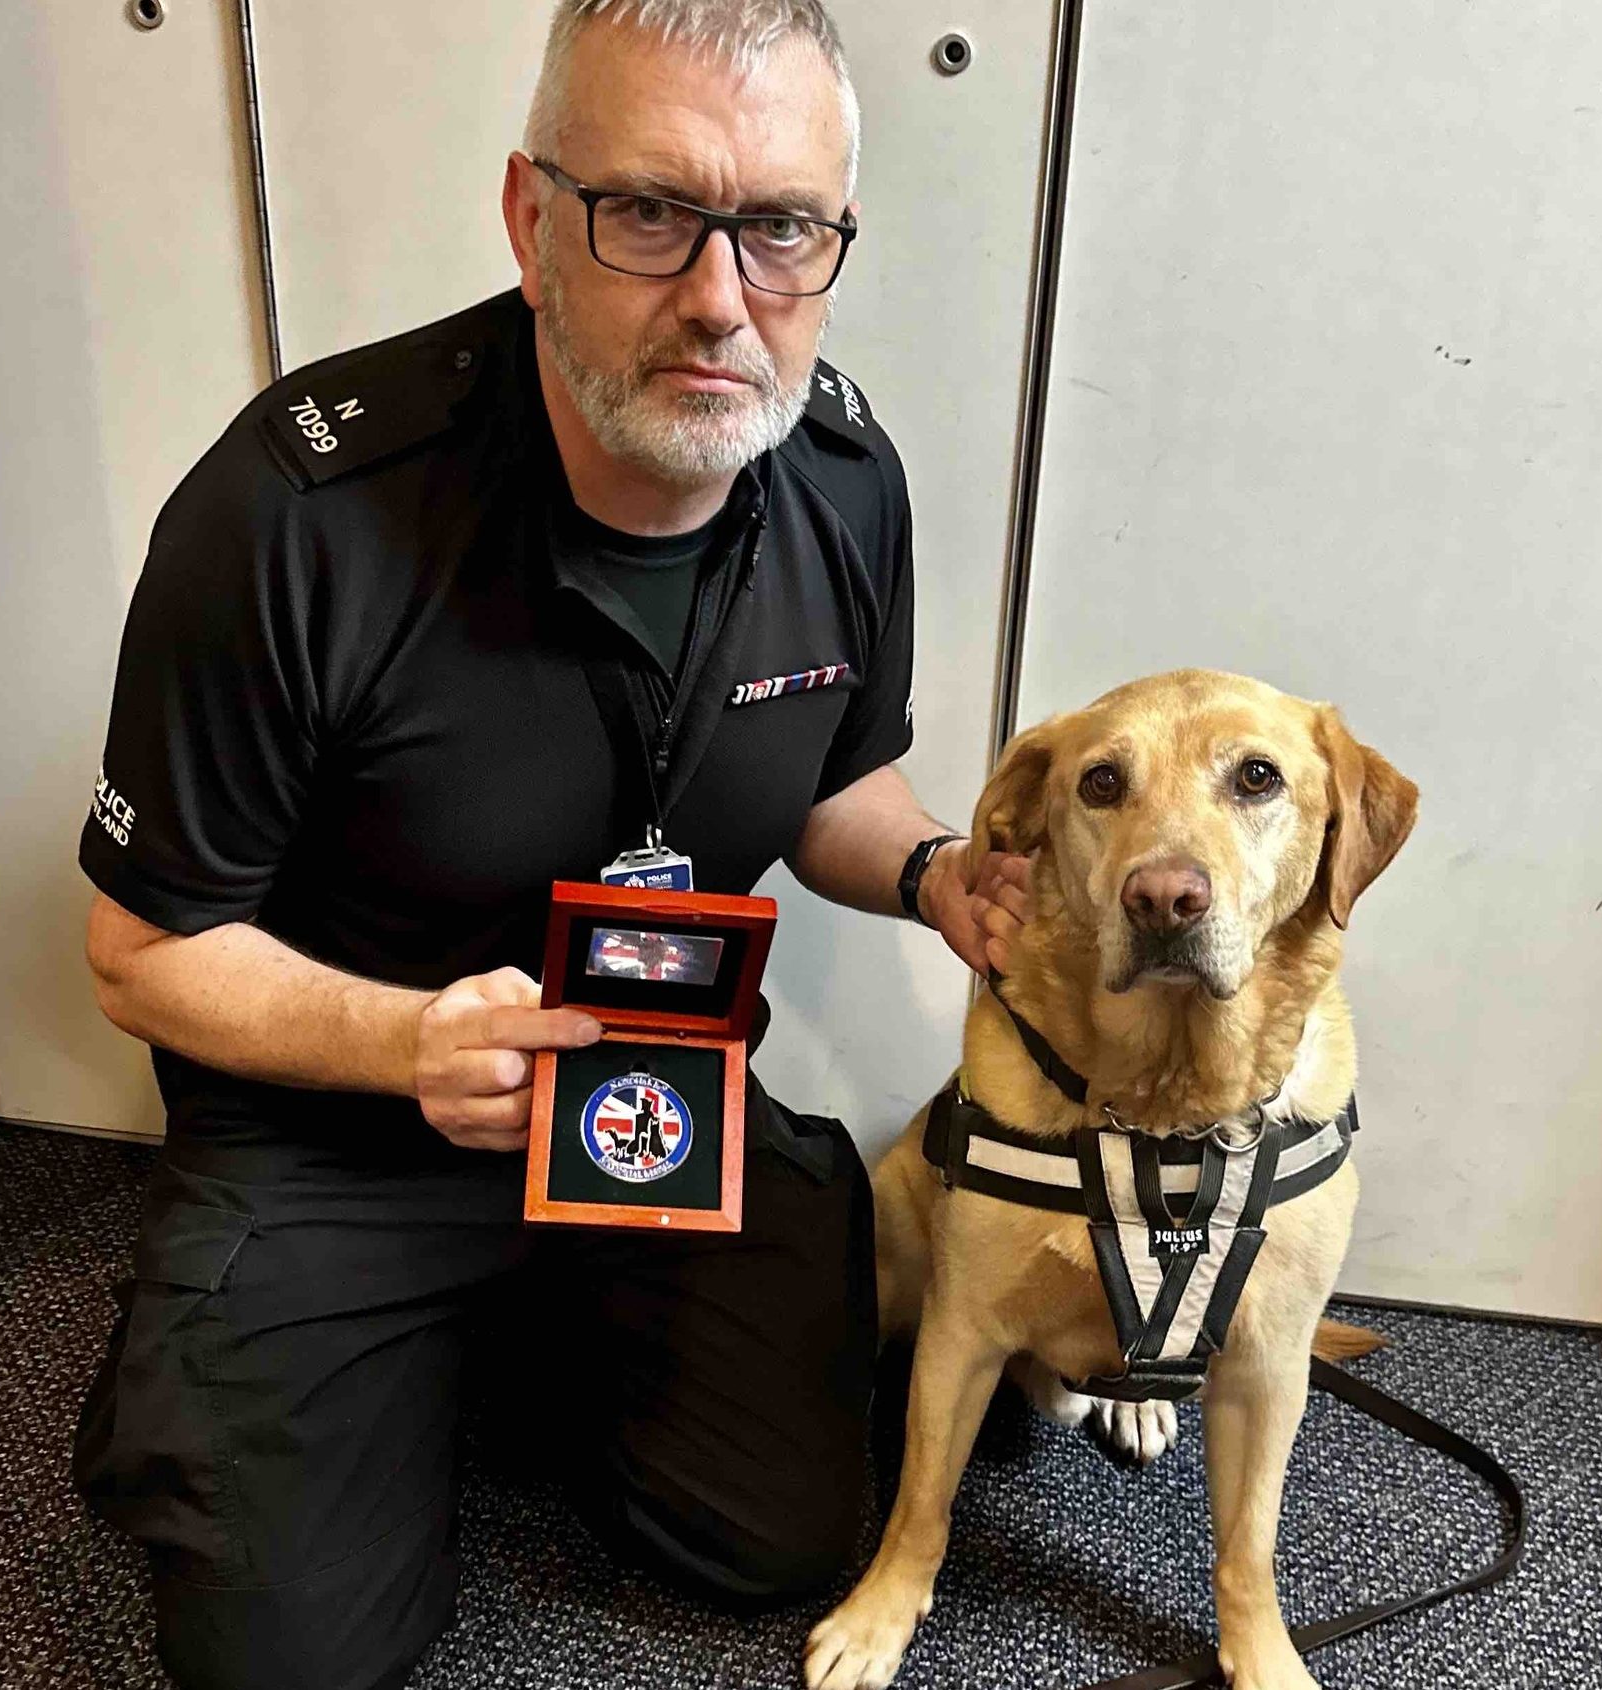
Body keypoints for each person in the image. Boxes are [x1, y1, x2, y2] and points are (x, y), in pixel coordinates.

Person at [73, 4, 1029, 1688]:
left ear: (827, 246)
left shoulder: (844, 479)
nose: (721, 298)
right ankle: (228, 1337)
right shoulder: (289, 516)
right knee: (283, 1665)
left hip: (649, 1106)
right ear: (531, 220)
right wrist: (399, 1040)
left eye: (781, 228)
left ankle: (469, 1349)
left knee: (780, 1542)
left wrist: (939, 874)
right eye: (649, 212)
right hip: (341, 1134)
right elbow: (139, 951)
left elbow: (834, 787)